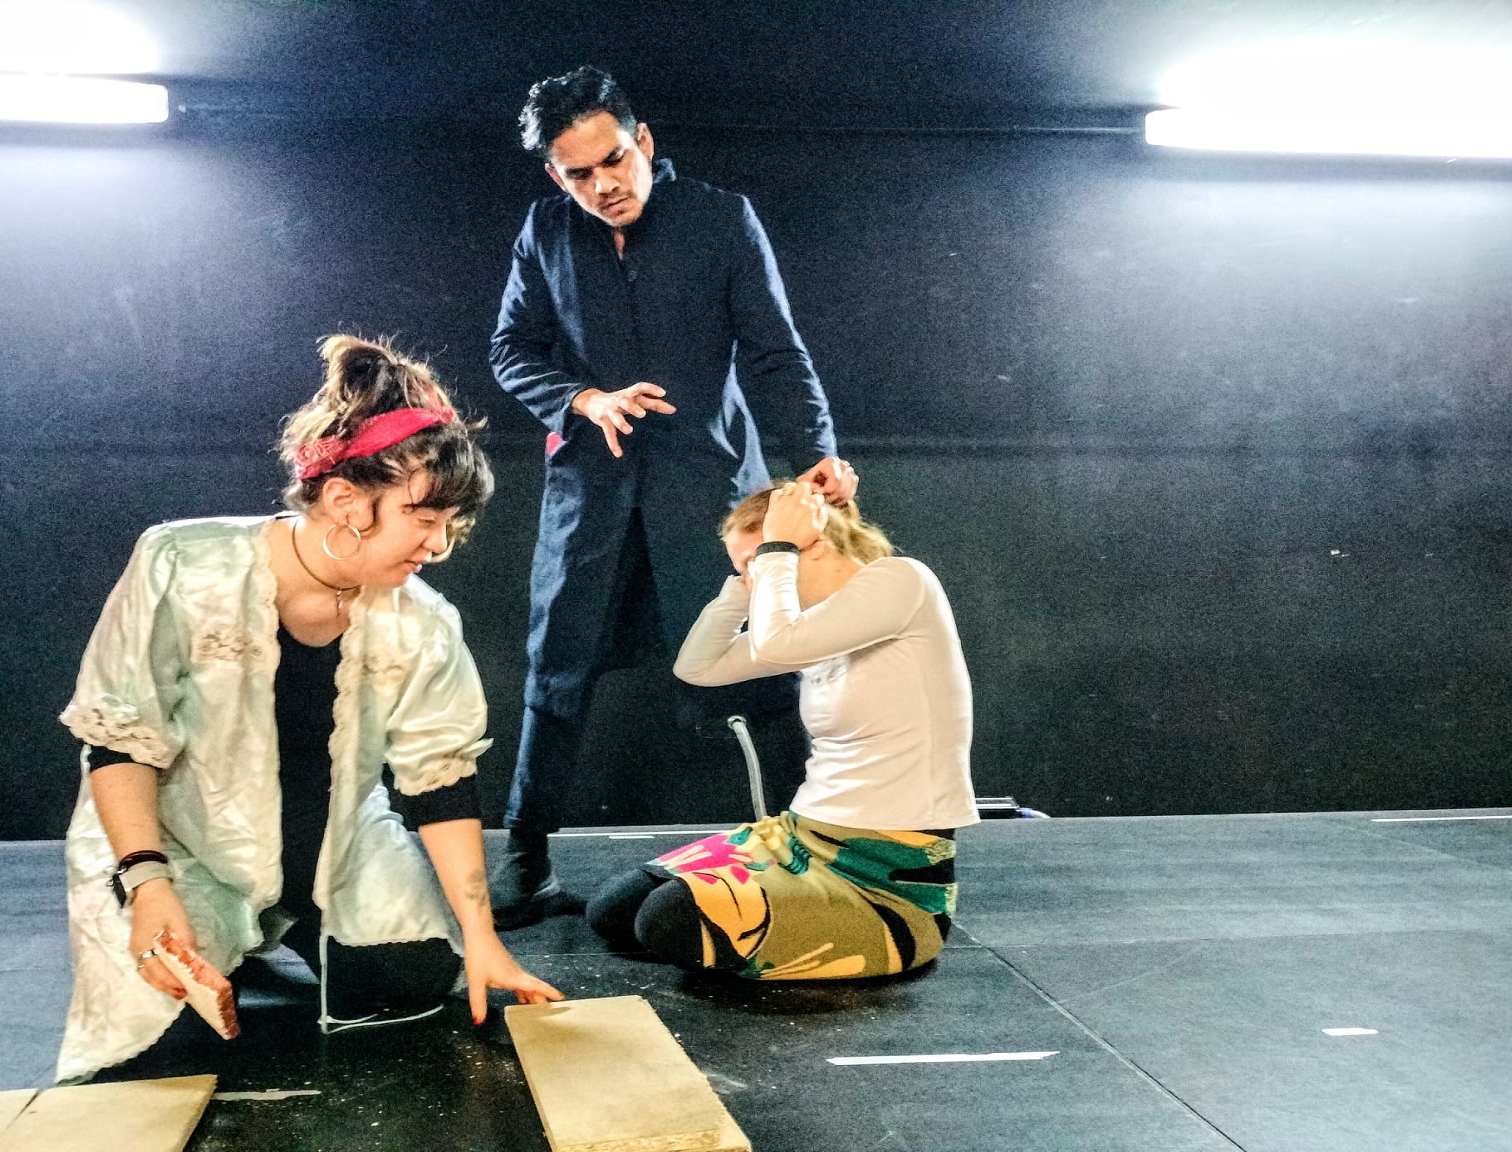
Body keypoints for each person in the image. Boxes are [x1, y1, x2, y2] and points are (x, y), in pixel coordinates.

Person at [55, 336, 562, 1084]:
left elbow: (439, 782)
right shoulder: (182, 564)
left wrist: (480, 934)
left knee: (410, 981)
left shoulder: (421, 619)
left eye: (450, 523)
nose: (439, 543)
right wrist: (146, 884)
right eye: (424, 519)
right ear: (345, 502)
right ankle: (224, 925)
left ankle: (281, 922)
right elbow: (119, 739)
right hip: (181, 843)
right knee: (154, 1036)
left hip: (335, 843)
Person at [489, 65, 858, 925]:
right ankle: (527, 858)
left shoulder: (722, 220)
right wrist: (584, 400)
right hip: (590, 496)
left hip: (706, 495)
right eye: (579, 174)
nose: (603, 186)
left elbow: (774, 353)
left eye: (614, 160)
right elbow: (512, 350)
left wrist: (816, 458)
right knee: (556, 671)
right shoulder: (544, 232)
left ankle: (805, 855)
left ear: (642, 139)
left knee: (759, 667)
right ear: (555, 175)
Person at [586, 480, 979, 979]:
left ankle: (882, 932)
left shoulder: (902, 582)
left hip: (888, 880)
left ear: (810, 546)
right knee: (614, 912)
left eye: (753, 563)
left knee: (666, 921)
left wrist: (774, 551)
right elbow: (697, 668)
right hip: (801, 838)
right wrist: (741, 584)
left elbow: (777, 645)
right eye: (742, 569)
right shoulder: (811, 625)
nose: (753, 579)